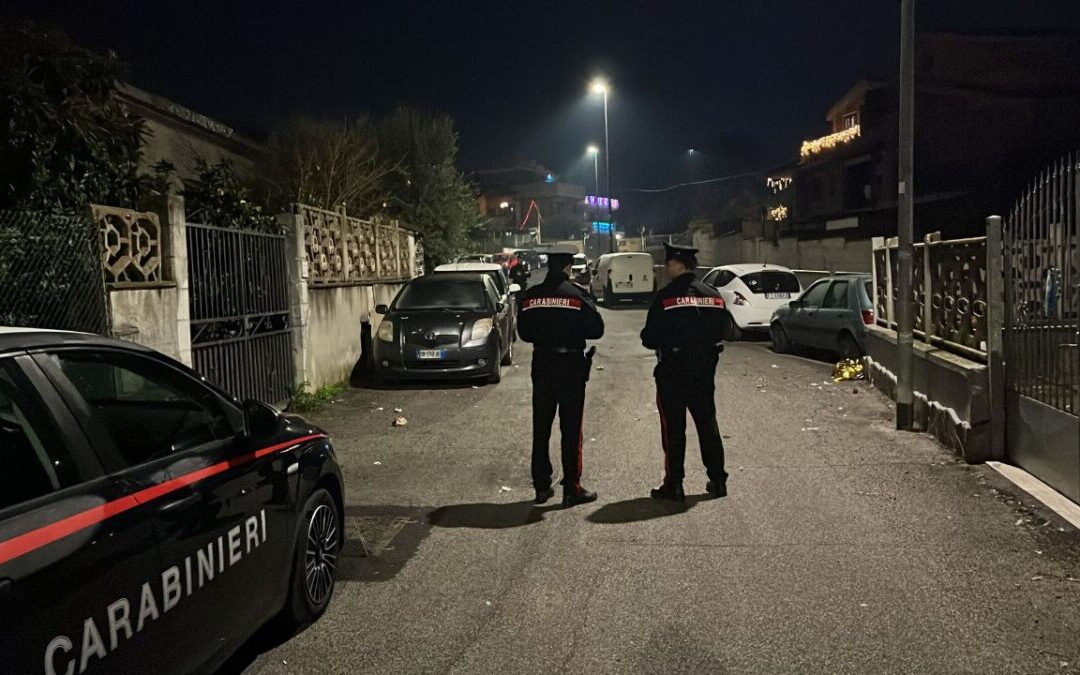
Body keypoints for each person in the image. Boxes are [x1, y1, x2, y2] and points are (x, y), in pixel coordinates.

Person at [640, 242, 728, 502]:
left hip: (673, 371)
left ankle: (675, 484)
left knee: (674, 429)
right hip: (703, 370)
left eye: (669, 263)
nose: (667, 268)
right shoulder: (713, 294)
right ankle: (718, 480)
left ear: (677, 264)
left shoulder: (665, 297)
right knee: (707, 424)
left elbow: (649, 337)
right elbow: (721, 331)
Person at [517, 244, 605, 506]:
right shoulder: (577, 295)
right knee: (571, 428)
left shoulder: (532, 295)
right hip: (570, 367)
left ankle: (542, 487)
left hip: (542, 365)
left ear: (549, 265)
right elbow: (596, 330)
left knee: (541, 426)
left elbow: (525, 333)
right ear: (568, 267)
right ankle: (572, 488)